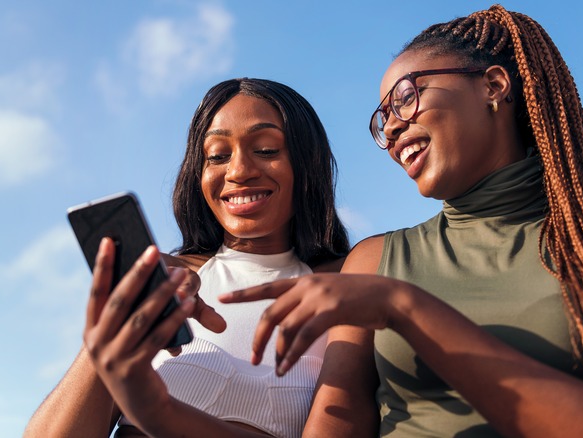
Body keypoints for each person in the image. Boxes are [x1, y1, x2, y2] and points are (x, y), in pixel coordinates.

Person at [219, 5, 583, 437]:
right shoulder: (375, 260)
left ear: (494, 86)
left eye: (405, 97)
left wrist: (405, 307)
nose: (393, 127)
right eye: (382, 120)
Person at [23, 78, 350, 437]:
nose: (239, 171)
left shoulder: (346, 286)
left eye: (267, 149)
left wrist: (158, 411)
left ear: (308, 162)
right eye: (217, 156)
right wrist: (110, 334)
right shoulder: (167, 279)